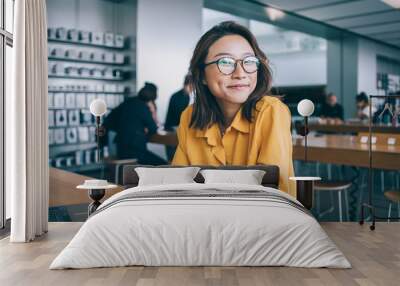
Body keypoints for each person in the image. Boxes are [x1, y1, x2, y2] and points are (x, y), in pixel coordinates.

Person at [171, 21, 295, 197]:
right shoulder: (189, 116)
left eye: (249, 61)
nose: (240, 73)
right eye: (226, 62)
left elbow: (272, 194)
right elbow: (178, 187)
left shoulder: (271, 111)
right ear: (202, 75)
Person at [102, 82, 167, 165]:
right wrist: (152, 112)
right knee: (164, 164)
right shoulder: (143, 107)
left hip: (120, 149)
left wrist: (123, 128)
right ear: (152, 97)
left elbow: (108, 120)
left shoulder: (127, 102)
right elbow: (153, 129)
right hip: (135, 152)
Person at [164, 74, 193, 161]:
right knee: (174, 160)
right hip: (173, 131)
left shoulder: (184, 95)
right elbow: (181, 116)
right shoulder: (179, 97)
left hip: (175, 130)